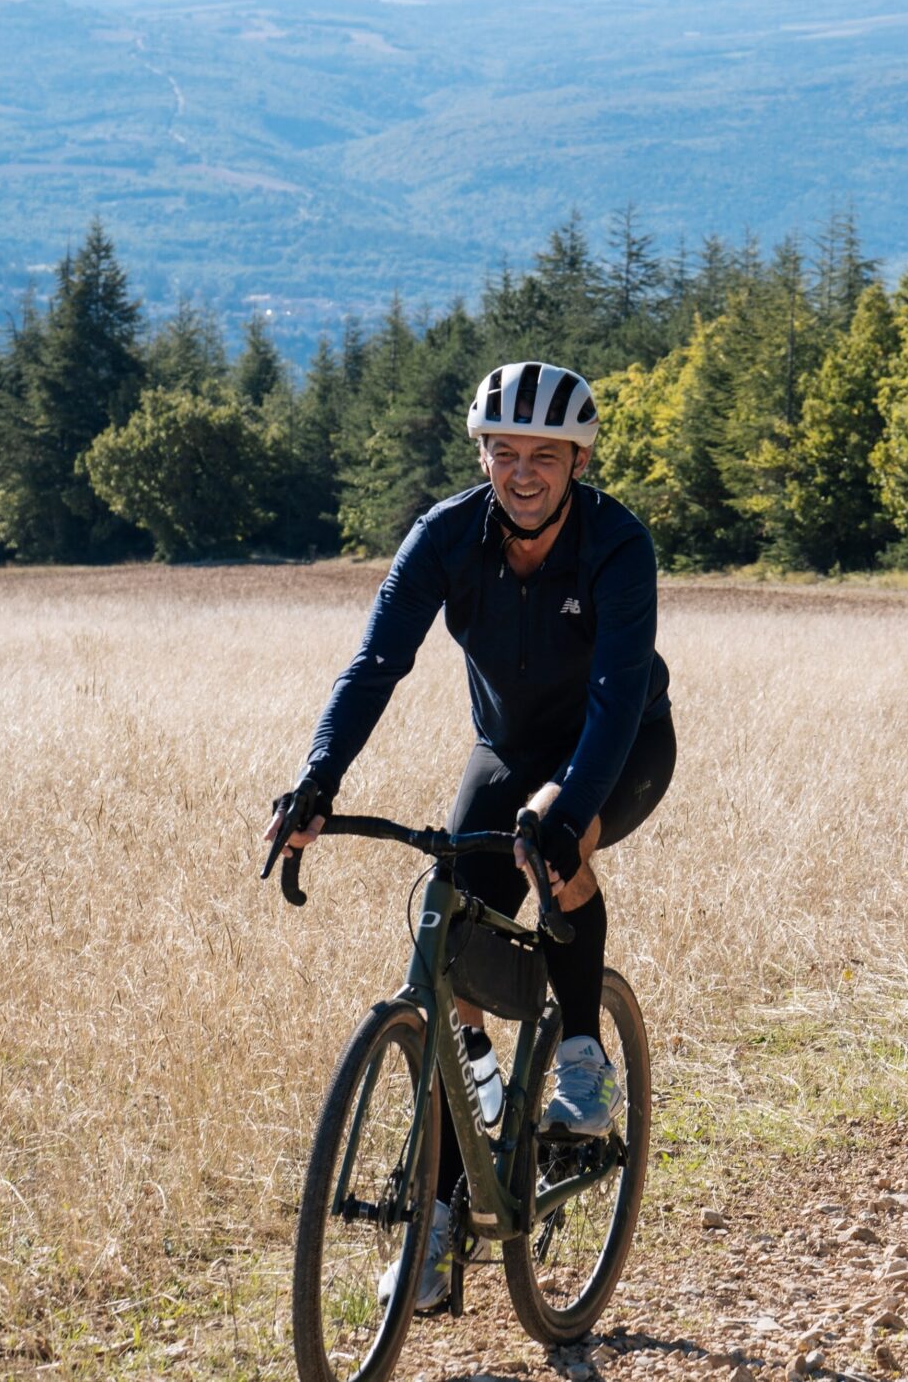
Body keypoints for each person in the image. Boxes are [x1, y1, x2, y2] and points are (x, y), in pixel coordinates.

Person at [264, 359, 674, 1313]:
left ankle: (580, 1052)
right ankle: (445, 1213)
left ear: (577, 461)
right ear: (481, 454)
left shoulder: (617, 546)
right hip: (507, 746)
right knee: (450, 938)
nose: (522, 472)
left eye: (545, 454)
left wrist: (569, 808)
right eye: (503, 452)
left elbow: (615, 696)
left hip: (619, 744)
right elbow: (375, 664)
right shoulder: (445, 538)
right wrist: (317, 782)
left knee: (554, 845)